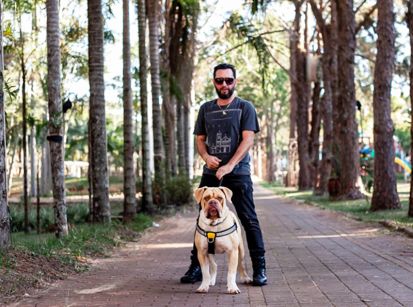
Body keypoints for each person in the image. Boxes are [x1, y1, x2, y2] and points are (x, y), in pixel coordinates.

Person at [180, 63, 267, 286]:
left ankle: (259, 269)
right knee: (201, 220)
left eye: (228, 80)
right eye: (220, 80)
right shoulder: (206, 109)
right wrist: (206, 157)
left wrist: (230, 165)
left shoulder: (245, 107)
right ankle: (196, 268)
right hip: (210, 174)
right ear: (214, 82)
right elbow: (200, 140)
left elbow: (248, 139)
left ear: (235, 81)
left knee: (248, 219)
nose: (224, 84)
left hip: (239, 173)